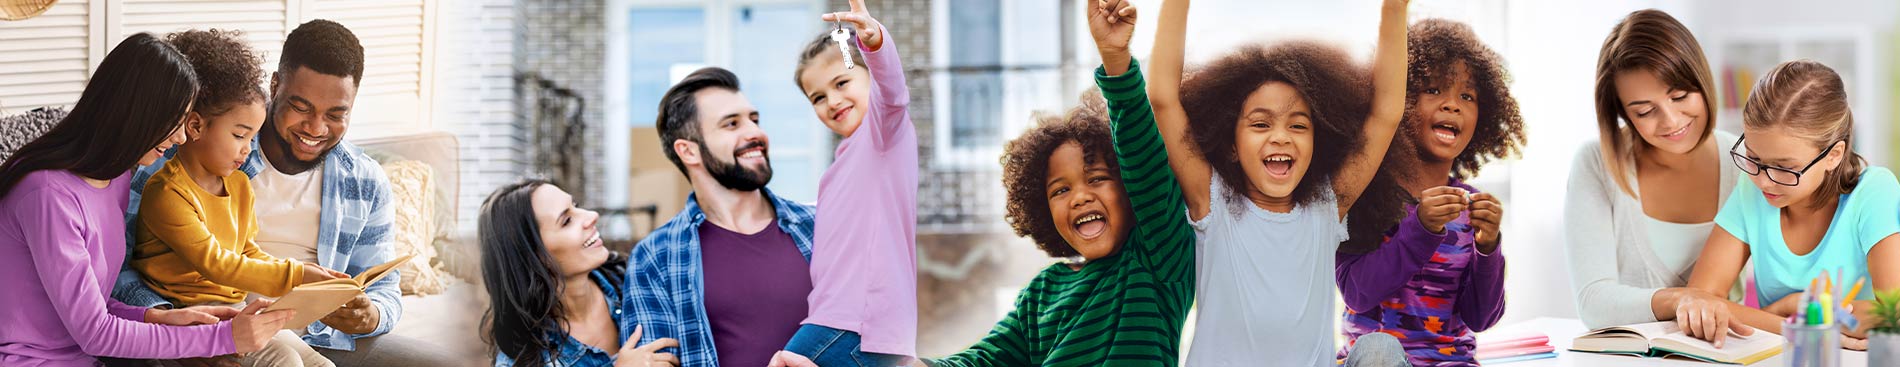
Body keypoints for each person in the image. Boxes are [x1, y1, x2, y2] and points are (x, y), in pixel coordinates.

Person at [114, 20, 446, 365]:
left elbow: (384, 288)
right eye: (301, 108)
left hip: (316, 333)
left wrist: (370, 315)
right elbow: (118, 266)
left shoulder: (362, 181)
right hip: (213, 324)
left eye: (335, 114)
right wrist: (175, 336)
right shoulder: (187, 151)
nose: (316, 128)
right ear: (275, 86)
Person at [0, 32, 292, 367]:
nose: (182, 137)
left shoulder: (115, 180)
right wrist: (222, 337)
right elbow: (94, 332)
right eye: (175, 121)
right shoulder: (48, 196)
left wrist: (158, 317)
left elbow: (92, 308)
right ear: (138, 113)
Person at [1147, 0, 1411, 364]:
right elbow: (1163, 100)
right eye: (1260, 124)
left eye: (1298, 125)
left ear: (1319, 143)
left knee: (1380, 350)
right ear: (1232, 145)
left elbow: (1385, 114)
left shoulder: (1326, 207)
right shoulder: (1213, 202)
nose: (1281, 137)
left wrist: (1394, 10)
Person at [129, 28, 344, 367]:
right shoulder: (166, 192)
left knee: (320, 364)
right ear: (196, 127)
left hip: (239, 313)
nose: (248, 149)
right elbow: (218, 263)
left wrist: (302, 273)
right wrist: (296, 274)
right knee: (286, 362)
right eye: (240, 135)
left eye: (252, 137)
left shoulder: (240, 185)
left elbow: (247, 250)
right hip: (196, 321)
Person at [1669, 59, 1899, 351]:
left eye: (1784, 168)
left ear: (1833, 155)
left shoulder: (1874, 191)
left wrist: (1781, 310)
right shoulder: (1750, 190)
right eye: (1754, 159)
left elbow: (1891, 313)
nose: (1764, 181)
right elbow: (1701, 299)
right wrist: (1791, 317)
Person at [1332, 18, 1525, 366]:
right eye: (1434, 90)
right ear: (1400, 101)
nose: (1453, 105)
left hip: (1452, 361)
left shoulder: (1468, 207)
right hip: (1379, 361)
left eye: (1467, 96)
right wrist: (1419, 228)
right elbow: (1358, 293)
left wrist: (1488, 247)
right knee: (1379, 350)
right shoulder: (1368, 194)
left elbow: (1481, 318)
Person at [1562, 9, 1745, 330]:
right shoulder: (1596, 163)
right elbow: (1593, 302)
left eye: (1680, 96)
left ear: (1702, 82)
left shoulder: (1745, 162)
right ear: (1622, 113)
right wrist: (1683, 300)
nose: (1671, 121)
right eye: (1645, 111)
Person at [623, 67, 816, 367]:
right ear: (688, 151)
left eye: (754, 119)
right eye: (731, 124)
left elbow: (872, 333)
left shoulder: (819, 226)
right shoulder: (655, 258)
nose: (755, 133)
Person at [778, 0, 918, 364]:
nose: (833, 101)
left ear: (869, 76)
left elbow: (893, 95)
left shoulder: (884, 134)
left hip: (857, 322)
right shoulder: (836, 169)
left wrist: (875, 46)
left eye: (842, 83)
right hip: (843, 321)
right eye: (818, 98)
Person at [481, 180, 682, 367]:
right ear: (533, 257)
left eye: (576, 205)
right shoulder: (521, 360)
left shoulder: (639, 281)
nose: (591, 215)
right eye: (567, 220)